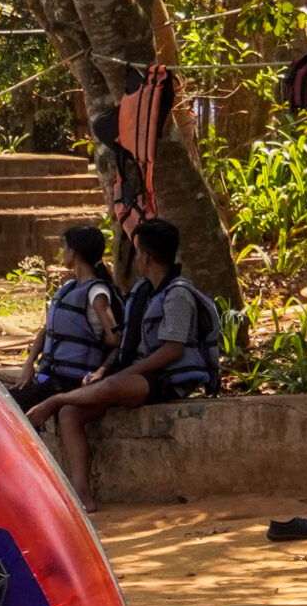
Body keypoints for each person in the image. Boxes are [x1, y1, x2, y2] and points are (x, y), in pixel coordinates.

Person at [22, 217, 222, 513]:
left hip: (167, 378)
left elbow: (172, 350)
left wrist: (122, 374)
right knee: (70, 414)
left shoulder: (178, 294)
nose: (134, 258)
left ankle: (54, 399)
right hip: (138, 373)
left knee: (109, 387)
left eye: (136, 251)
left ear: (146, 256)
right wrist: (104, 370)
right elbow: (125, 343)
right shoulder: (142, 291)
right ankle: (82, 496)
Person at [12, 225, 120, 412]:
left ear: (73, 252)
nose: (62, 253)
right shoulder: (69, 287)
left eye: (64, 248)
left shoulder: (97, 293)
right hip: (51, 375)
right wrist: (29, 363)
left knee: (12, 404)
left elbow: (115, 338)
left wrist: (99, 350)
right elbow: (47, 330)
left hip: (73, 380)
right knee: (7, 397)